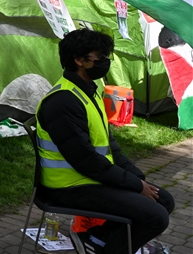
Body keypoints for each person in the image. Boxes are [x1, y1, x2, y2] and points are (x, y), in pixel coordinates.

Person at [35, 29, 174, 254]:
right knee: (155, 216)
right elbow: (86, 160)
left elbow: (110, 147)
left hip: (89, 179)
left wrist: (137, 178)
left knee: (163, 200)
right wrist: (135, 186)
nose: (106, 61)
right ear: (79, 60)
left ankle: (96, 240)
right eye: (100, 57)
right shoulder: (62, 102)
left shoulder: (89, 92)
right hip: (68, 187)